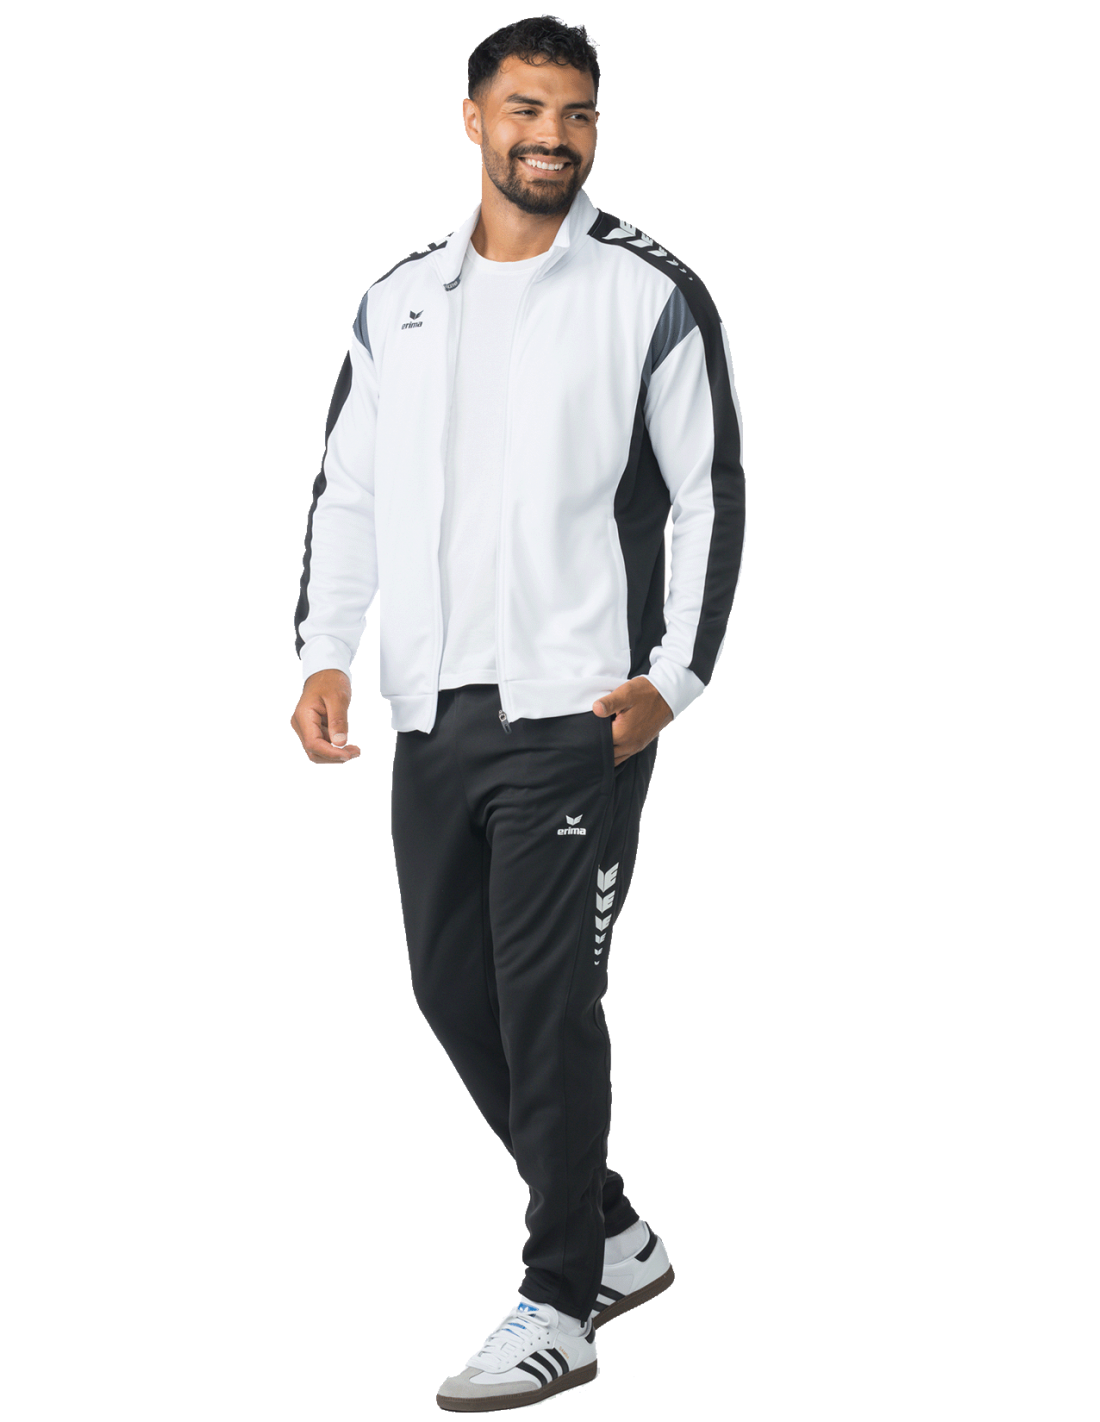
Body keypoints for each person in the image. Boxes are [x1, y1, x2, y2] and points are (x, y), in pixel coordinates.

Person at [289, 15, 745, 1412]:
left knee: (546, 1000)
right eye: (528, 110)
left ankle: (562, 1301)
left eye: (578, 114)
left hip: (577, 706)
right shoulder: (401, 301)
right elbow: (352, 488)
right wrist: (328, 651)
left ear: (594, 130)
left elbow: (712, 494)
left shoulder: (648, 292)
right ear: (475, 119)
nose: (554, 137)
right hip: (433, 702)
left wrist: (670, 679)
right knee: (448, 988)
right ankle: (613, 1228)